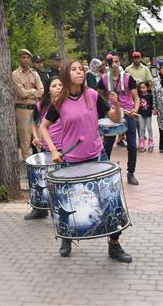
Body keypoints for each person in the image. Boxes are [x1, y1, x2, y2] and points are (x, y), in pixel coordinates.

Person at [40, 60, 132, 263]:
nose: (78, 72)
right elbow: (43, 127)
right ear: (65, 74)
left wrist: (117, 105)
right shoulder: (59, 101)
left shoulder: (92, 95)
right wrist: (54, 150)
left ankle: (114, 245)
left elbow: (115, 119)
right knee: (70, 204)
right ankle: (66, 237)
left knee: (111, 202)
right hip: (72, 161)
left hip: (98, 156)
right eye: (73, 69)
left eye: (80, 69)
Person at [26, 76, 64, 221]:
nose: (58, 88)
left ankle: (58, 208)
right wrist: (36, 137)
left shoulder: (66, 103)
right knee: (42, 179)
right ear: (48, 90)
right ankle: (40, 209)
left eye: (60, 85)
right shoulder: (41, 105)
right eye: (54, 86)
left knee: (59, 180)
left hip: (63, 148)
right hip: (46, 148)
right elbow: (34, 122)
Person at [101, 54, 140, 185]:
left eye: (116, 61)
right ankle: (104, 173)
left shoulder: (128, 78)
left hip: (128, 113)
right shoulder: (104, 79)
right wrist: (105, 109)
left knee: (132, 145)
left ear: (120, 62)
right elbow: (99, 96)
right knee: (107, 145)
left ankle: (131, 173)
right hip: (113, 114)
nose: (114, 64)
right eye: (112, 62)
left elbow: (136, 97)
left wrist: (135, 109)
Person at [12, 49, 44, 159]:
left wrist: (29, 92)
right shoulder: (15, 74)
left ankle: (41, 165)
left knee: (39, 138)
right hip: (23, 110)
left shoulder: (34, 73)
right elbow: (21, 94)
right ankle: (27, 168)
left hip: (36, 109)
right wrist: (33, 91)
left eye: (27, 57)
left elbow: (41, 91)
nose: (25, 60)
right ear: (19, 59)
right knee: (25, 142)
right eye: (23, 57)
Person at [136, 82, 154, 153]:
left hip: (148, 114)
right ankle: (141, 142)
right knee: (141, 128)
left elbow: (152, 105)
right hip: (141, 115)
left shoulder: (150, 96)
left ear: (147, 88)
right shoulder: (138, 96)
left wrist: (154, 110)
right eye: (141, 88)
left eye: (144, 87)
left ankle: (151, 142)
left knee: (149, 128)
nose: (142, 89)